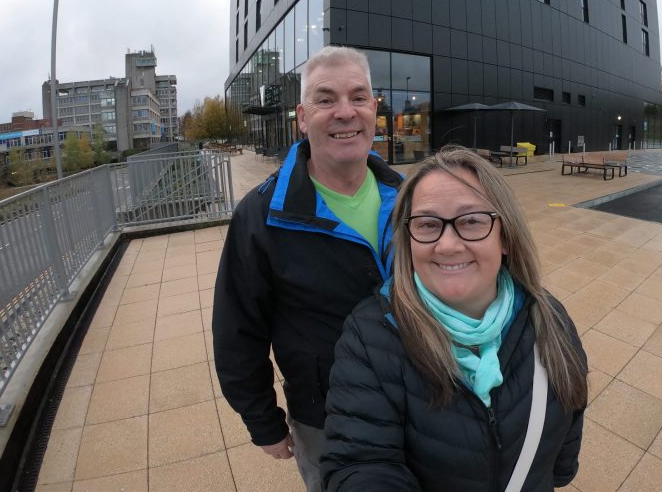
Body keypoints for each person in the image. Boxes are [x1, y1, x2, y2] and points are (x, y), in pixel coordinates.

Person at [321, 146, 588, 491]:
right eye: (428, 224)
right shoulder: (370, 338)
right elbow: (358, 465)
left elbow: (562, 454)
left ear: (505, 237)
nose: (447, 245)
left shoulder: (550, 320)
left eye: (472, 221)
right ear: (408, 239)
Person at [213, 46, 404, 491]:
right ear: (302, 116)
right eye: (325, 99)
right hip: (327, 418)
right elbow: (237, 329)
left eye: (359, 97)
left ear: (375, 109)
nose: (345, 112)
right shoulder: (261, 216)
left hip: (422, 396)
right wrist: (264, 421)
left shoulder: (411, 197)